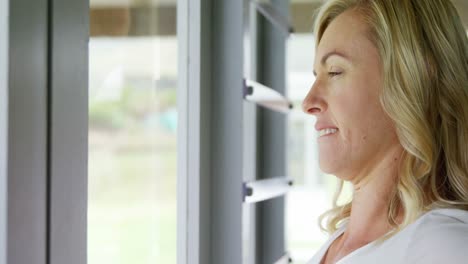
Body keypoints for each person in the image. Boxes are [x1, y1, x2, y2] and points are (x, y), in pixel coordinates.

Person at [301, 0, 468, 263]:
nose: (308, 102)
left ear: (412, 79)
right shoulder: (341, 240)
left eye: (334, 71)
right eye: (316, 75)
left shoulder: (446, 249)